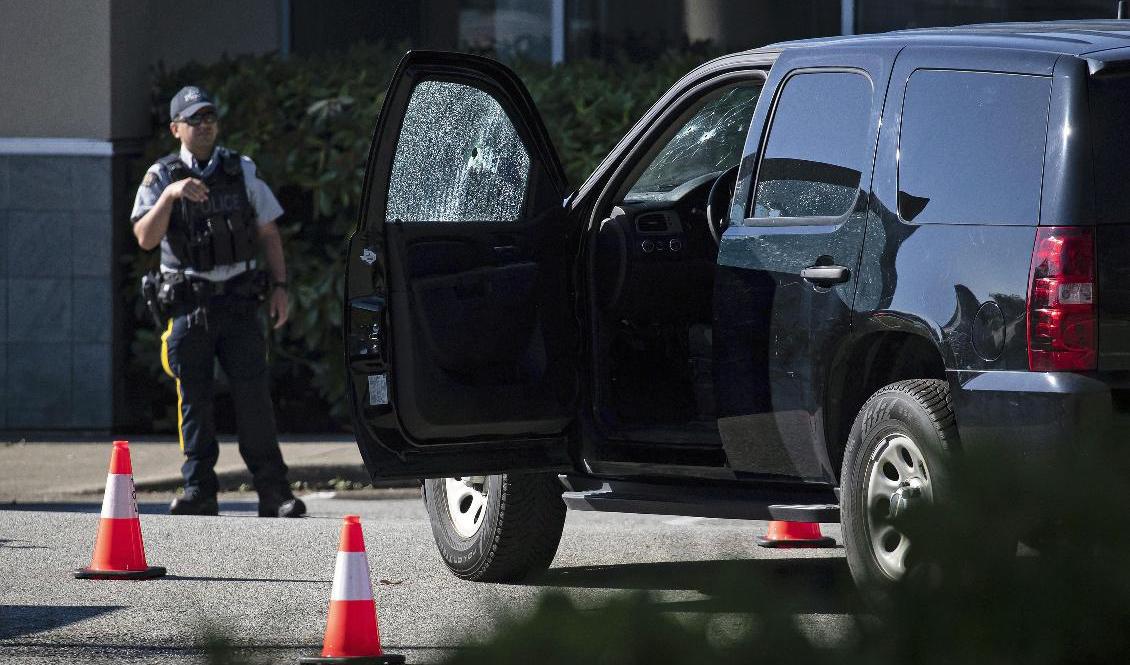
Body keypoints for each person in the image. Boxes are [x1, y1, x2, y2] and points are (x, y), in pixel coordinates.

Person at [130, 85, 305, 518]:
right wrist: (171, 196)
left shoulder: (239, 169)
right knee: (194, 400)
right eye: (194, 120)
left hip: (239, 302)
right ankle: (199, 491)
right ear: (176, 129)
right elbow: (145, 238)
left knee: (254, 399)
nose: (204, 126)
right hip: (190, 305)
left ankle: (274, 493)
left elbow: (268, 231)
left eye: (209, 118)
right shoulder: (160, 176)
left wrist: (280, 287)